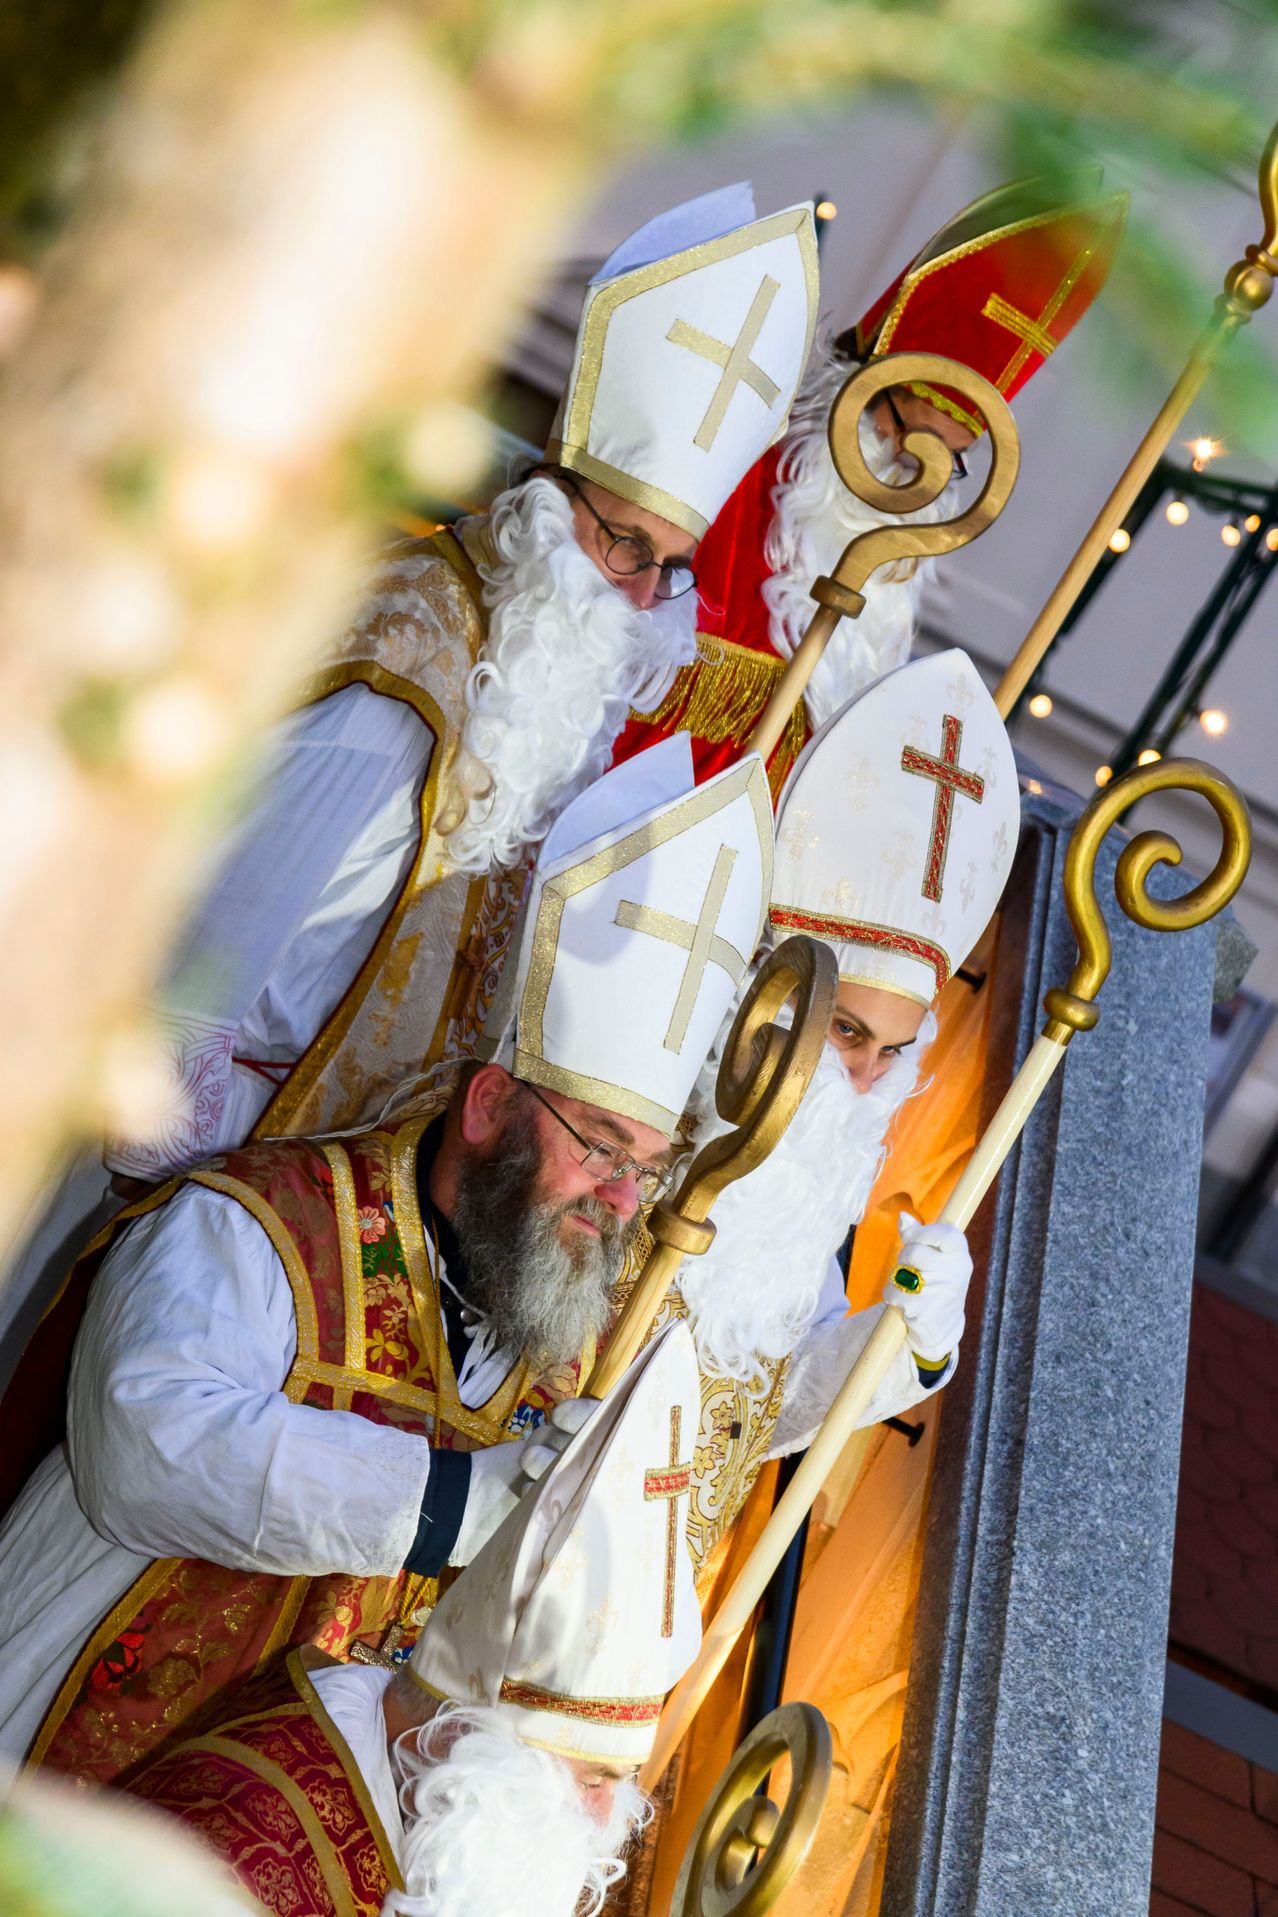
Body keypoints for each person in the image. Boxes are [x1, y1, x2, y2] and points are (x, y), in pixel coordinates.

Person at [0, 739, 773, 1781]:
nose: (622, 1199)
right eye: (597, 1144)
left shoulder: (559, 1342)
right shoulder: (257, 1224)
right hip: (57, 1756)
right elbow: (146, 1449)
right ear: (491, 1103)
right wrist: (461, 1506)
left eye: (646, 1167)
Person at [110, 181, 820, 1173]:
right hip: (221, 1158)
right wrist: (171, 1192)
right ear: (544, 495)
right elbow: (203, 971)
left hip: (348, 1170)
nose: (638, 592)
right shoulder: (406, 661)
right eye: (623, 542)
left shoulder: (542, 681)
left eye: (671, 566)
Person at [648, 647, 1022, 1569]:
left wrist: (910, 1340)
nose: (862, 1081)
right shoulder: (648, 1104)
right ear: (773, 993)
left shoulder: (809, 1179)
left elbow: (778, 1398)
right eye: (847, 1031)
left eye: (892, 1053)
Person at [125, 1325, 704, 1917]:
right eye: (590, 1779)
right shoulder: (228, 1858)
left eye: (620, 1777)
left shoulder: (438, 1841)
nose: (603, 1822)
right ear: (463, 1729)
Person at [610, 173, 1127, 796]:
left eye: (950, 462)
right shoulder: (741, 475)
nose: (919, 485)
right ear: (864, 393)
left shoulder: (895, 553)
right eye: (912, 442)